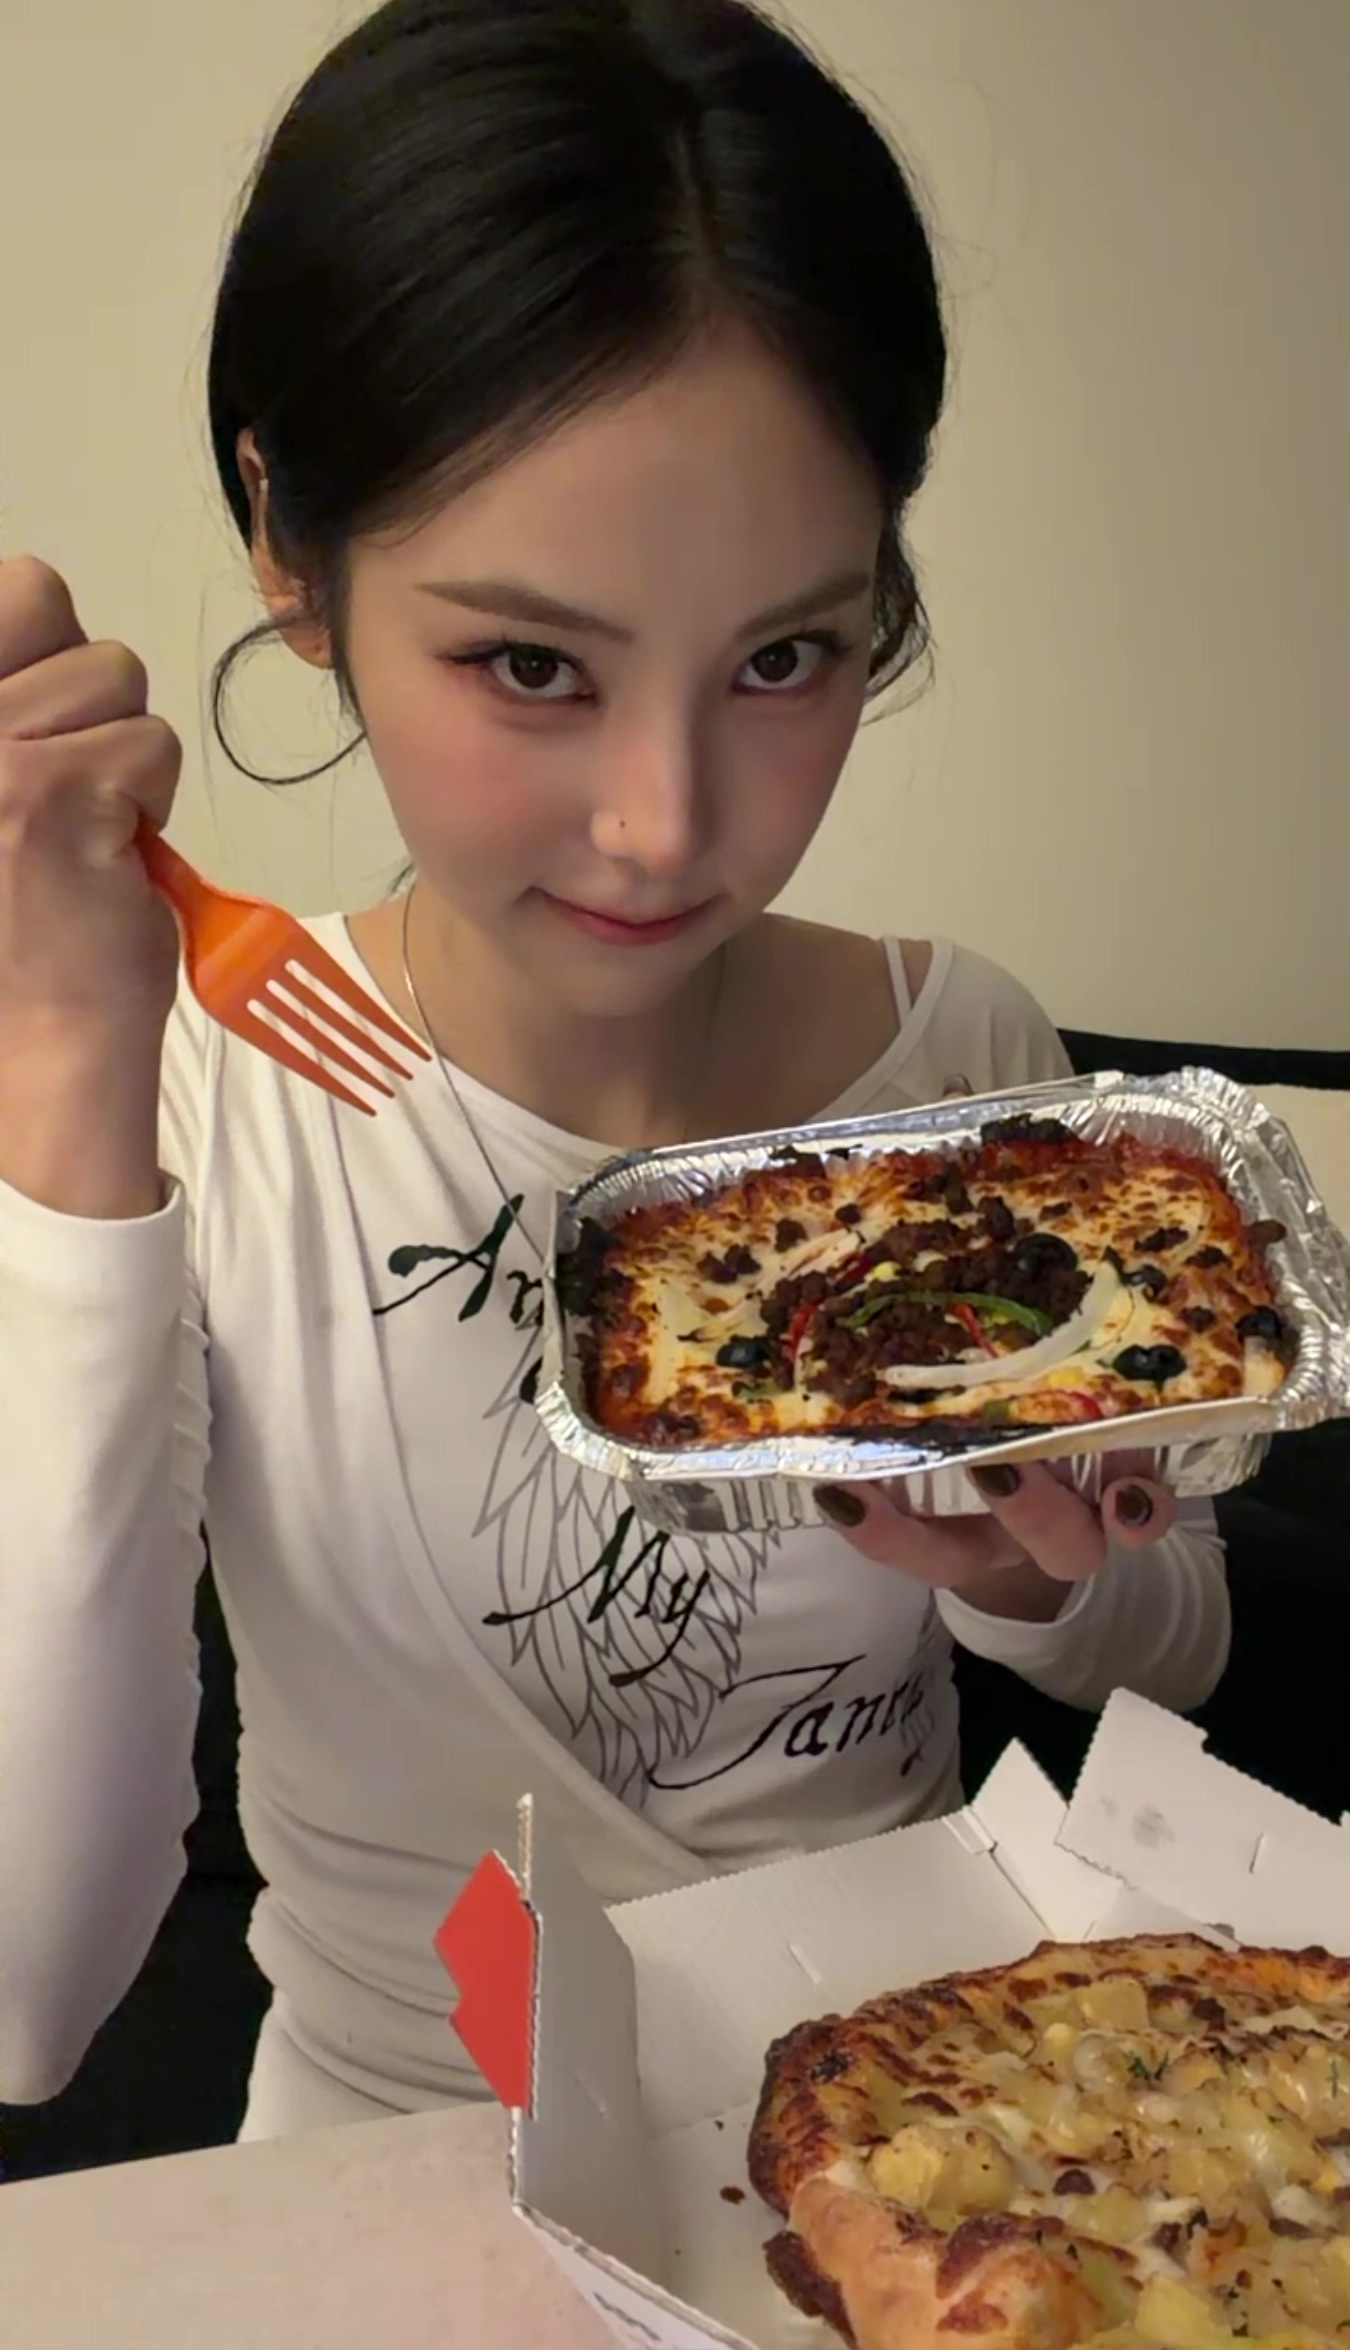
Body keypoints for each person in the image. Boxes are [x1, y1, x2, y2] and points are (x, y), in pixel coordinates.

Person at [0, 0, 1227, 2143]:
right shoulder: (201, 1100)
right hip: (387, 2153)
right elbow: (25, 1992)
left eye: (785, 655)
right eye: (531, 662)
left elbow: (1172, 1641)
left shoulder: (962, 1058)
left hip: (905, 2135)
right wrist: (69, 1055)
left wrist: (1038, 1577)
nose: (665, 827)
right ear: (291, 546)